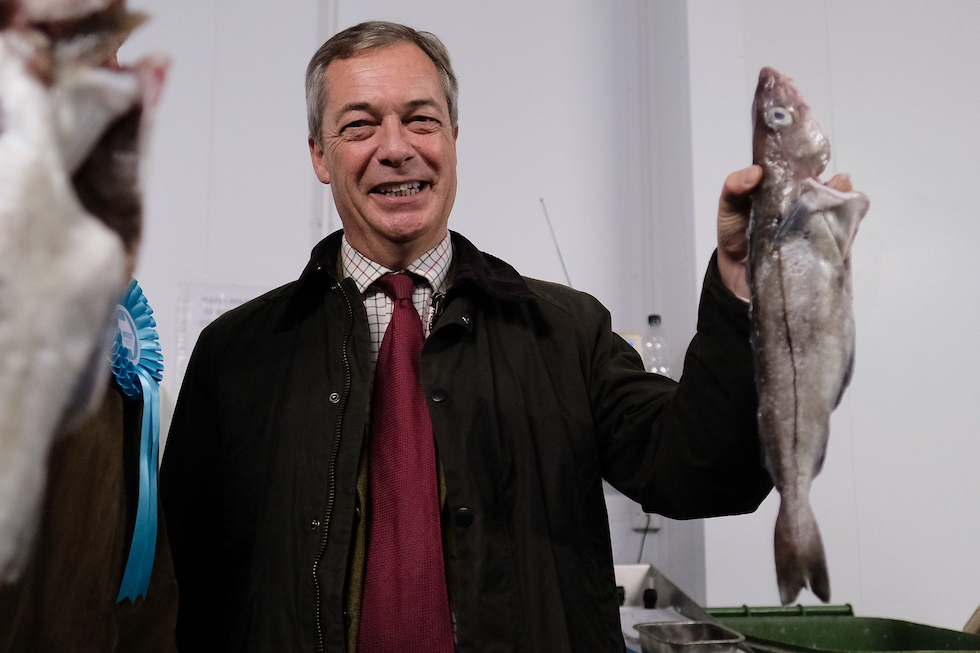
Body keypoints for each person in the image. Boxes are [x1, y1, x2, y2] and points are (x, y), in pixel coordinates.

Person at [160, 20, 837, 653]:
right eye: (360, 125)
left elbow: (704, 472)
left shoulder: (567, 333)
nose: (395, 148)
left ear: (454, 137)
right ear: (319, 153)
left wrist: (745, 292)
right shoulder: (236, 355)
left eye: (421, 119)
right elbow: (184, 579)